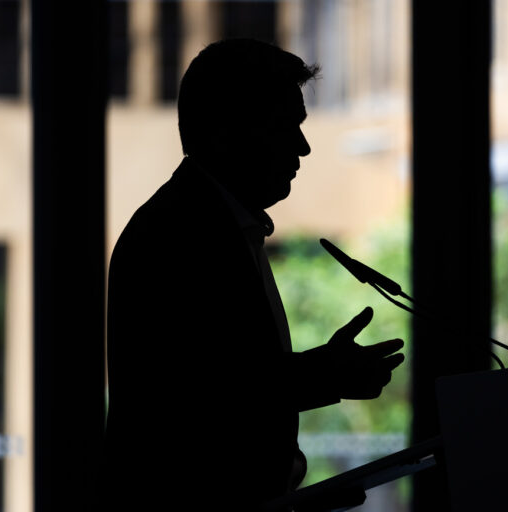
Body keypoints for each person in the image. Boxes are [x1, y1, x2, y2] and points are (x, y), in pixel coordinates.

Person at [103, 39, 405, 510]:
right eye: (288, 126)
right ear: (231, 129)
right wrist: (326, 374)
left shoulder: (214, 226)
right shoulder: (179, 235)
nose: (303, 147)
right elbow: (199, 402)